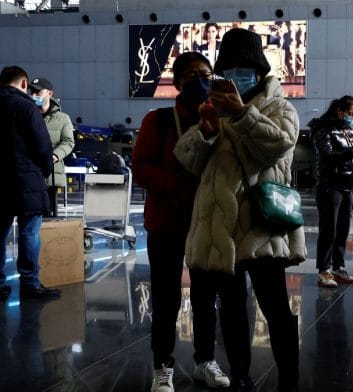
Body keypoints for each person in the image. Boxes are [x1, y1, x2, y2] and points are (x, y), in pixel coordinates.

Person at [173, 28, 306, 392]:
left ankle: (289, 381)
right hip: (220, 227)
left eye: (243, 68)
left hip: (262, 225)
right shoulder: (212, 106)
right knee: (232, 309)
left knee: (276, 307)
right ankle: (242, 378)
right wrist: (207, 133)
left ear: (259, 70)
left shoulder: (280, 106)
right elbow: (186, 159)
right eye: (227, 69)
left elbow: (276, 146)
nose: (234, 76)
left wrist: (242, 113)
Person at [132, 52, 231, 392]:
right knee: (165, 297)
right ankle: (162, 365)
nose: (200, 81)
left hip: (206, 224)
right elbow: (141, 168)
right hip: (166, 223)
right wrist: (180, 188)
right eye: (190, 75)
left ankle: (205, 361)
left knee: (206, 296)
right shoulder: (157, 120)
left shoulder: (221, 118)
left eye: (205, 74)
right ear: (176, 82)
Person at [0, 66, 61, 300]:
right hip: (27, 179)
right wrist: (43, 170)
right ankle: (30, 283)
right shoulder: (26, 106)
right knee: (29, 233)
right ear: (24, 83)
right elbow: (42, 144)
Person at [309, 96, 353, 288]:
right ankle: (324, 270)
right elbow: (327, 156)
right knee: (329, 230)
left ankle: (338, 267)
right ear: (339, 111)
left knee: (342, 230)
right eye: (350, 114)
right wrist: (351, 152)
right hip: (330, 185)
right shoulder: (322, 129)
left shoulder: (348, 131)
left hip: (347, 185)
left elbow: (349, 156)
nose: (352, 117)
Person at [28, 77, 75, 217]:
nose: (34, 95)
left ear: (50, 93)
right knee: (31, 215)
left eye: (38, 92)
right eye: (32, 92)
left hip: (51, 174)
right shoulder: (27, 114)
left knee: (49, 216)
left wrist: (54, 156)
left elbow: (68, 142)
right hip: (30, 173)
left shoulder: (63, 118)